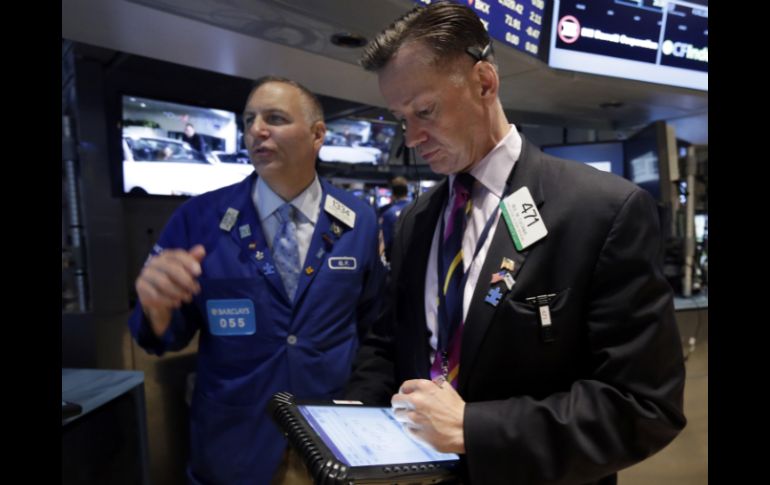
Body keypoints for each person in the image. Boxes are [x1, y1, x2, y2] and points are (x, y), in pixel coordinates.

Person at [344, 4, 686, 485]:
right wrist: (350, 424)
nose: (412, 138)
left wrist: (474, 429)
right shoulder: (417, 220)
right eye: (401, 118)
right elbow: (388, 344)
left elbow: (643, 405)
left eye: (425, 111)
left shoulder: (602, 211)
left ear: (484, 82)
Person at [129, 76, 384, 483]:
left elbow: (375, 329)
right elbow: (164, 337)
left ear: (318, 135)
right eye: (249, 120)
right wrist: (155, 310)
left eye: (275, 118)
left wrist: (363, 406)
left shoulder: (359, 219)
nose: (256, 130)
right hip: (235, 444)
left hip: (332, 440)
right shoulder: (200, 219)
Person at [379, 176, 410, 262]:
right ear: (407, 192)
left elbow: (385, 240)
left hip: (394, 259)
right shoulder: (416, 208)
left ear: (393, 193)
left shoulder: (388, 213)